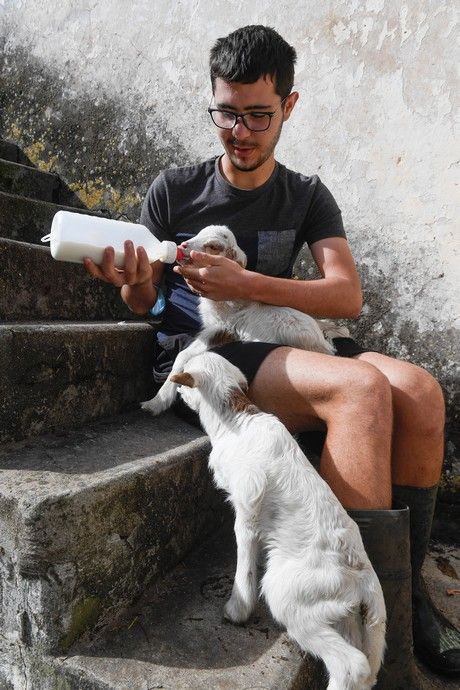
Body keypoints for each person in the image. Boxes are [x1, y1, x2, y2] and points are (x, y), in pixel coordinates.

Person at [84, 25, 459, 680]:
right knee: (361, 392)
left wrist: (246, 282)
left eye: (260, 114)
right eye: (228, 113)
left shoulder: (307, 194)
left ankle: (406, 600)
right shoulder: (174, 191)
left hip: (286, 336)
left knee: (422, 393)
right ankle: (373, 648)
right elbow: (146, 300)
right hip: (211, 356)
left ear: (289, 106)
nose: (242, 131)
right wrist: (136, 286)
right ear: (213, 104)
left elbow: (345, 294)